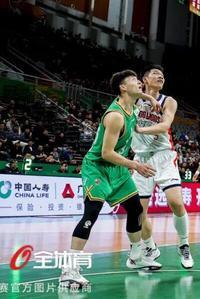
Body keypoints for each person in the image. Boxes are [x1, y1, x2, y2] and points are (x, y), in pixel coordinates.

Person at [59, 70, 161, 289]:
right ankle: (69, 270)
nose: (139, 83)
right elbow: (106, 153)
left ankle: (136, 257)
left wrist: (150, 98)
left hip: (118, 169)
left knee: (136, 209)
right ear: (123, 88)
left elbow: (140, 96)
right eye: (134, 81)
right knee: (91, 214)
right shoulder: (115, 116)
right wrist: (135, 165)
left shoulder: (133, 107)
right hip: (98, 167)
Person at [131, 65, 194, 269]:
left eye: (162, 76)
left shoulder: (168, 101)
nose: (160, 77)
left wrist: (139, 129)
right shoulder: (135, 99)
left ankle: (183, 244)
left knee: (176, 202)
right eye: (155, 74)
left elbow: (165, 125)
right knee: (139, 212)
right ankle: (150, 247)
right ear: (144, 80)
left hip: (164, 156)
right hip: (141, 159)